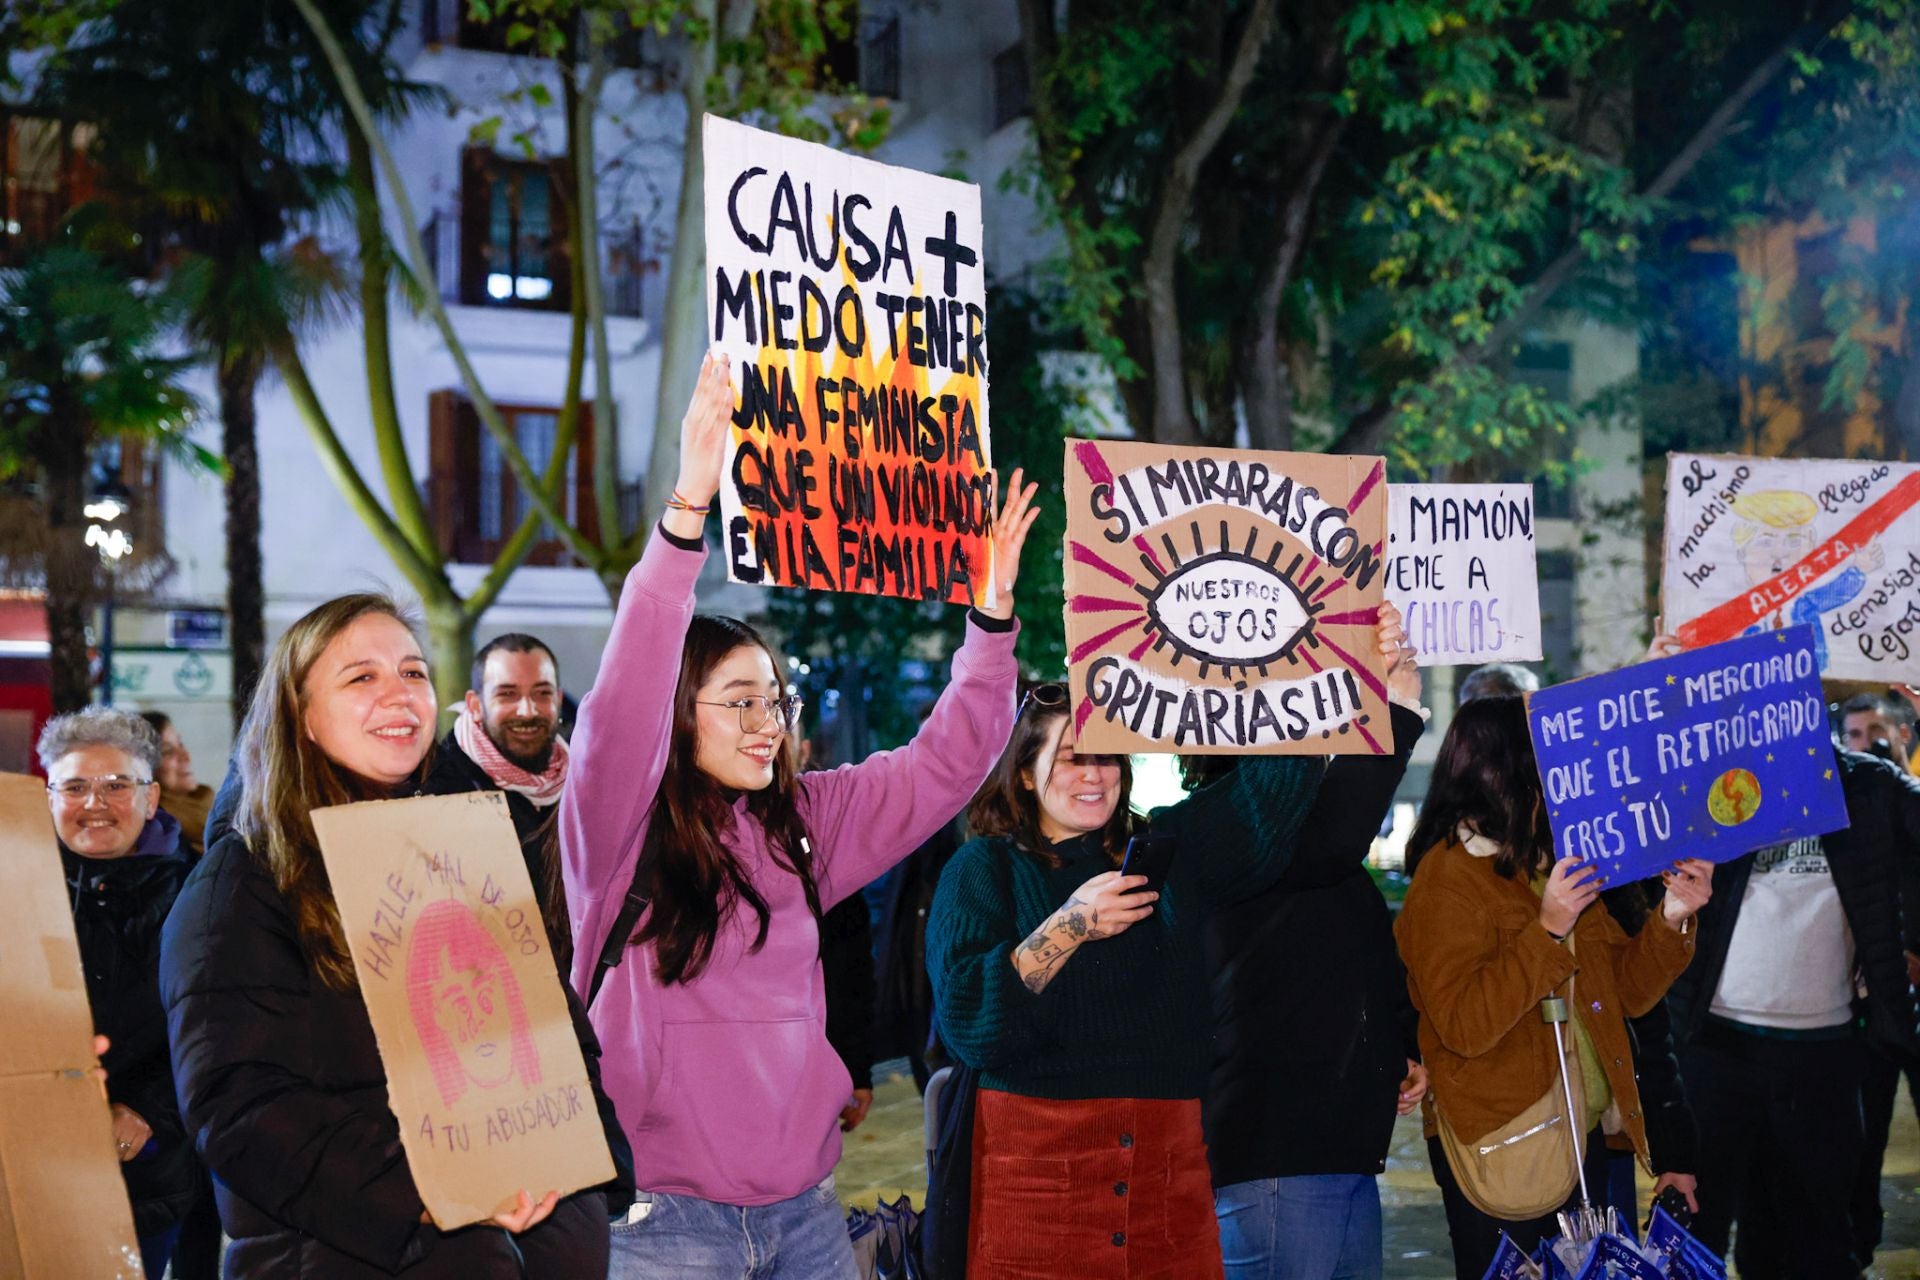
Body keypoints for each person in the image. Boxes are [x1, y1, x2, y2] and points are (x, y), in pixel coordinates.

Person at [561, 351, 1040, 1280]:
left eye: (775, 702)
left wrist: (989, 619)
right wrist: (686, 513)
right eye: (737, 701)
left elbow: (944, 766)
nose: (766, 723)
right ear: (679, 711)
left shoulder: (803, 821)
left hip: (808, 1215)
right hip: (661, 1225)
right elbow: (622, 702)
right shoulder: (617, 826)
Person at [926, 613, 1407, 1280]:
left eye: (1105, 755)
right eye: (1069, 757)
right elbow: (971, 1025)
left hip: (1169, 1177)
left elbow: (1267, 793)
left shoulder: (1168, 852)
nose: (1093, 774)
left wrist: (1321, 661)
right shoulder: (984, 870)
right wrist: (1070, 924)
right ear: (1026, 775)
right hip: (1038, 1186)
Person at [160, 593, 617, 1277]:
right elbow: (238, 1104)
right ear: (301, 716)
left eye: (412, 673)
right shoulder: (249, 877)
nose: (399, 695)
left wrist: (583, 1162)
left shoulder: (460, 849)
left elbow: (554, 1026)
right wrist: (428, 1193)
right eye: (361, 677)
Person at [1395, 695, 1711, 1278]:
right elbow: (1463, 1024)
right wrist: (1548, 928)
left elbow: (1623, 993)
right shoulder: (1447, 879)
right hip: (1503, 1144)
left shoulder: (1549, 861)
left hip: (1579, 1136)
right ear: (1508, 770)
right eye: (1549, 758)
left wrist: (1671, 915)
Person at [1651, 670, 1920, 1277]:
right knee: (1696, 1235)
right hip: (1717, 1048)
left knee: (1818, 1240)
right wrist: (1662, 686)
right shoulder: (1715, 787)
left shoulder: (1867, 786)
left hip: (1826, 1053)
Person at [1203, 637, 1429, 1280]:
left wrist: (1401, 1047)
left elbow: (1358, 960)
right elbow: (1332, 837)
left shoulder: (1314, 852)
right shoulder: (1231, 834)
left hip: (1339, 1149)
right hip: (1278, 1159)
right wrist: (1398, 707)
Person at [41, 708, 196, 1278]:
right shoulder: (15, 880)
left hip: (144, 1164)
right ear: (49, 795)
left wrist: (149, 1110)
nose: (95, 803)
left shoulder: (198, 891)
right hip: (30, 1158)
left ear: (151, 798)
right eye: (76, 786)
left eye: (116, 786)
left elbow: (217, 1030)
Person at [426, 632, 571, 949]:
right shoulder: (437, 793)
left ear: (558, 700)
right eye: (507, 695)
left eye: (542, 693)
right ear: (475, 705)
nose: (527, 710)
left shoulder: (583, 784)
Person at [141, 710, 216, 860]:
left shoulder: (211, 806)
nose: (186, 756)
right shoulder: (158, 835)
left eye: (180, 744)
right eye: (168, 751)